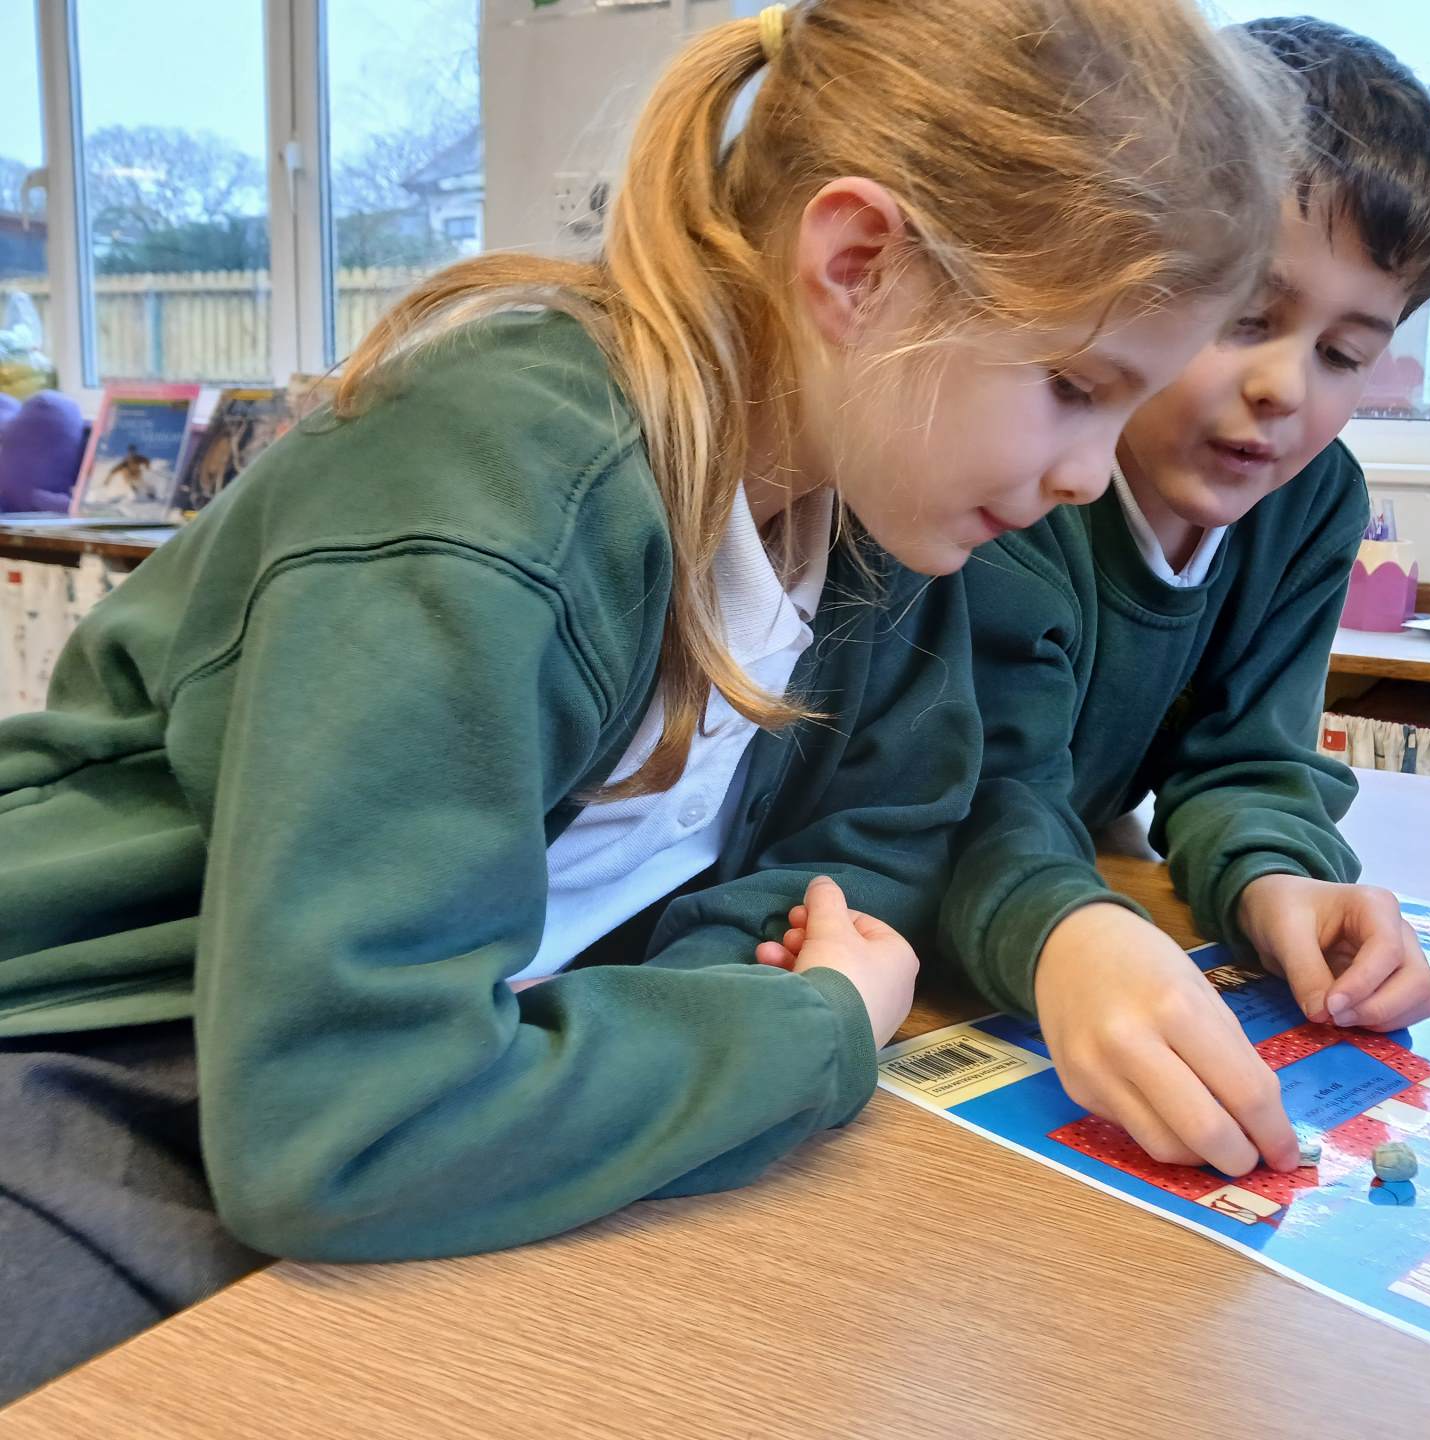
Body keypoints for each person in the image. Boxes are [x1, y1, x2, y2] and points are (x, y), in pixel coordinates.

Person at [0, 0, 1288, 1402]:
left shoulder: (884, 503)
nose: (1091, 475)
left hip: (422, 1076)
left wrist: (704, 1005)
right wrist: (807, 1029)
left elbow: (871, 852)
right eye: (1076, 387)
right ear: (859, 266)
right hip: (99, 1049)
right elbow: (344, 1127)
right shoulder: (500, 488)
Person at [937, 16, 1430, 1177]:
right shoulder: (1017, 480)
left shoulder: (1311, 501)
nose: (1284, 386)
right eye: (1245, 318)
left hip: (1061, 874)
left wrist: (1279, 879)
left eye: (1343, 353)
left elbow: (1247, 760)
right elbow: (966, 801)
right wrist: (1069, 933)